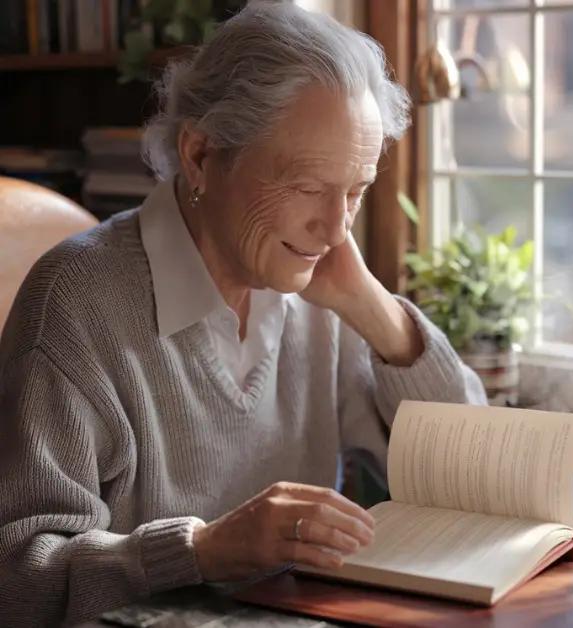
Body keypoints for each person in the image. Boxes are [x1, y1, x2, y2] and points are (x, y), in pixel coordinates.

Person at [0, 3, 486, 625]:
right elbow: (19, 583)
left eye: (356, 190)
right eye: (308, 187)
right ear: (201, 155)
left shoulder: (316, 281)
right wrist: (199, 550)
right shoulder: (77, 300)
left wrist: (370, 305)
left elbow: (467, 471)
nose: (336, 228)